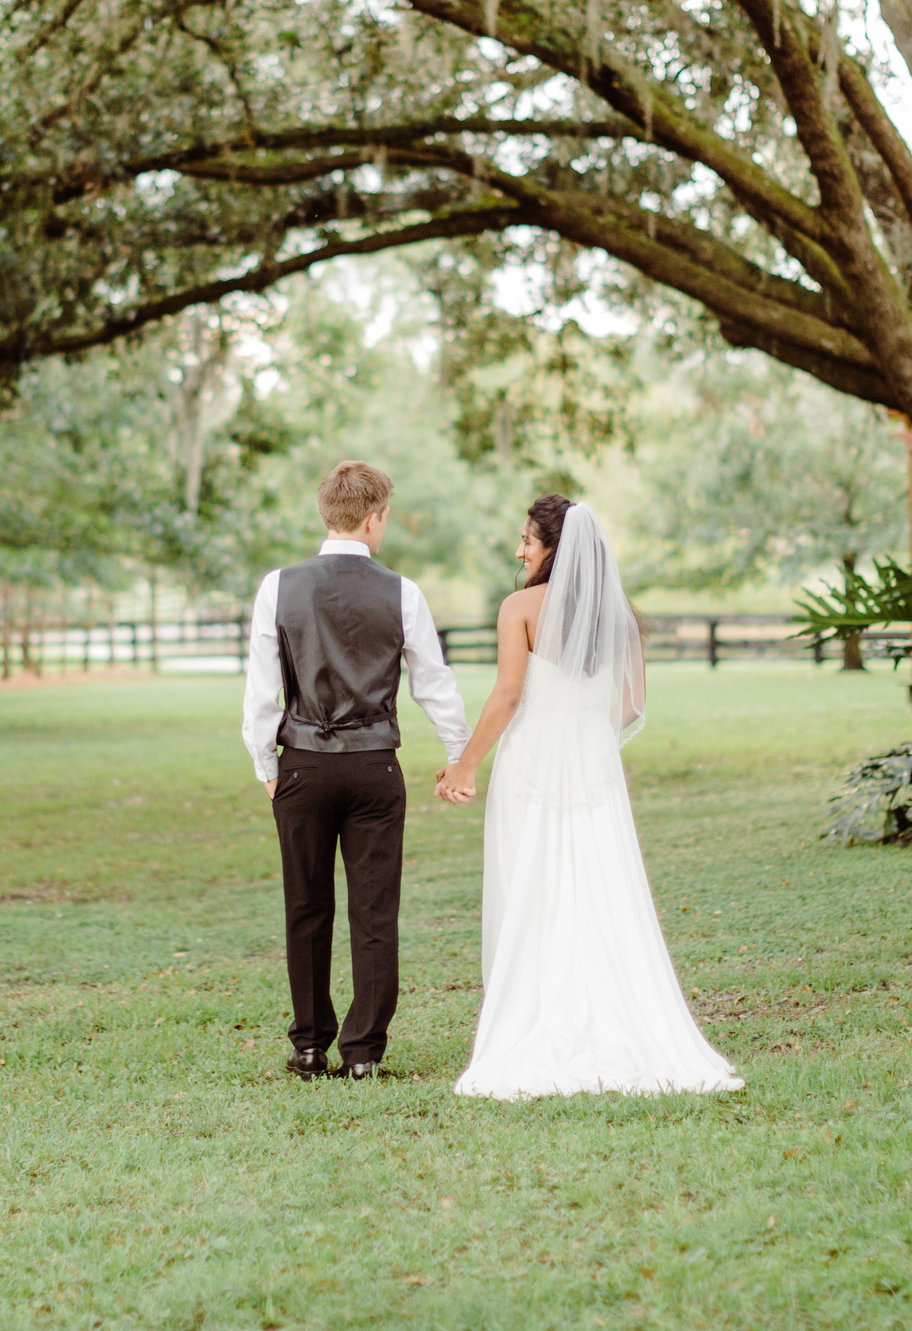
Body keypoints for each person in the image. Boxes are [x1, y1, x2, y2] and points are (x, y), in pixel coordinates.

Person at [436, 495, 743, 1100]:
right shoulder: (619, 615)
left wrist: (463, 766)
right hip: (594, 765)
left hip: (531, 765)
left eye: (528, 539)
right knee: (600, 889)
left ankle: (538, 1016)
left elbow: (506, 697)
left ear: (555, 547)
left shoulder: (520, 607)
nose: (519, 551)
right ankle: (612, 1016)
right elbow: (629, 707)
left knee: (532, 884)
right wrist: (587, 740)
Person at [242, 460, 470, 1080]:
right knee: (375, 911)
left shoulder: (277, 586)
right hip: (374, 768)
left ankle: (310, 1045)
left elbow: (262, 690)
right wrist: (459, 752)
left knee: (305, 907)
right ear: (374, 519)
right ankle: (363, 1052)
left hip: (303, 767)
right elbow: (434, 684)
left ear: (327, 514)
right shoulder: (403, 591)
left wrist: (266, 762)